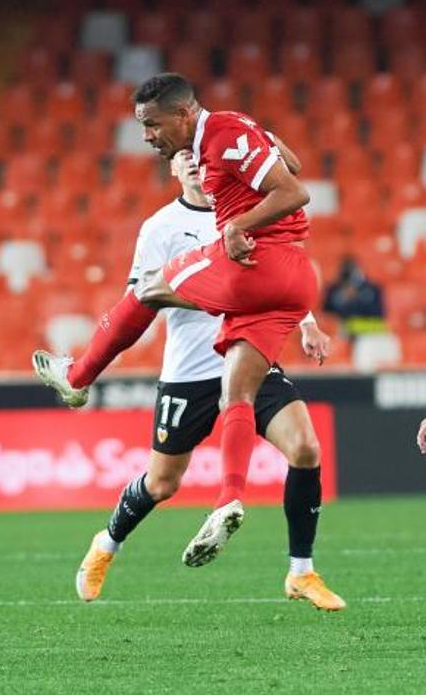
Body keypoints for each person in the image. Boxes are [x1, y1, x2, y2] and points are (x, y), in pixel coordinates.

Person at [34, 72, 317, 567]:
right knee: (222, 417)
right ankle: (226, 501)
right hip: (274, 294)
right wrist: (266, 144)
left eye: (152, 124)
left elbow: (292, 190)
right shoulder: (176, 203)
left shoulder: (222, 139)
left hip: (249, 279)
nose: (147, 136)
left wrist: (236, 230)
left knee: (151, 288)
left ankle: (76, 377)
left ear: (185, 116)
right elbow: (289, 167)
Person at [74, 150, 345, 611]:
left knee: (305, 448)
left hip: (250, 355)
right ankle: (107, 542)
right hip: (188, 372)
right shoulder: (159, 228)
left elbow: (277, 271)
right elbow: (137, 299)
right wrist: (212, 291)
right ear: (173, 169)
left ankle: (302, 572)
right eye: (184, 158)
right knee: (162, 483)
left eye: (198, 154)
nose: (193, 162)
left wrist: (307, 322)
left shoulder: (245, 210)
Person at [323, 255, 386, 339]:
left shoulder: (372, 288)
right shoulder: (333, 289)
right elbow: (327, 313)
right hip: (340, 332)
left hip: (366, 331)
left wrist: (358, 299)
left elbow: (379, 315)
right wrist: (342, 299)